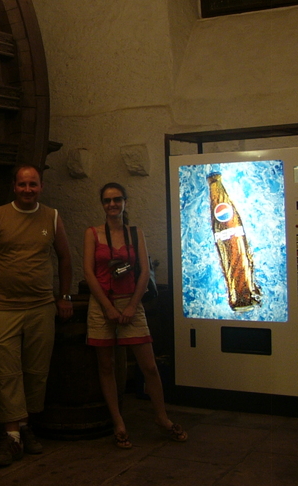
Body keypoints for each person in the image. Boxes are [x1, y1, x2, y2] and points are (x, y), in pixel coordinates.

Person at [0, 164, 73, 468]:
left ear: (41, 187)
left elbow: (66, 258)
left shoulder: (52, 217)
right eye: (22, 185)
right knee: (6, 371)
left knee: (35, 371)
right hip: (4, 308)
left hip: (41, 307)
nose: (28, 190)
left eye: (33, 185)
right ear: (14, 187)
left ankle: (25, 427)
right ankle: (11, 436)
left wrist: (65, 296)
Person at [84, 182, 187, 449]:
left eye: (117, 200)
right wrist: (107, 307)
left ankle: (161, 418)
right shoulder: (92, 234)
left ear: (125, 202)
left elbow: (144, 271)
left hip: (131, 301)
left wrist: (131, 306)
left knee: (149, 366)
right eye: (107, 201)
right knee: (106, 367)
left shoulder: (134, 233)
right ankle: (118, 422)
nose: (112, 205)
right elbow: (88, 272)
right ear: (102, 204)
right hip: (101, 305)